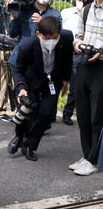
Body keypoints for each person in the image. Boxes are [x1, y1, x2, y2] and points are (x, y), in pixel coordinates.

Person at [7, 17, 73, 161]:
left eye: (55, 37)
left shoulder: (67, 38)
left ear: (60, 33)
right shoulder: (27, 45)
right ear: (38, 34)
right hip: (31, 79)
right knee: (25, 111)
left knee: (46, 113)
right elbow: (18, 70)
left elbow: (68, 61)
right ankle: (19, 136)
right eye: (46, 37)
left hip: (53, 80)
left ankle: (29, 145)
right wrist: (22, 88)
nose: (51, 41)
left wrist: (65, 80)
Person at [70, 0, 103, 176]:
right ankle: (86, 154)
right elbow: (78, 33)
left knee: (96, 114)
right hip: (85, 63)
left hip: (102, 65)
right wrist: (78, 43)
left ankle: (94, 159)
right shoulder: (88, 9)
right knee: (81, 112)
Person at [8, 0, 62, 80]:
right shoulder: (24, 10)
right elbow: (12, 34)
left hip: (42, 62)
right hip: (20, 60)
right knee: (21, 92)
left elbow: (57, 37)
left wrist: (43, 22)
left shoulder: (55, 15)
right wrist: (13, 16)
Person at [61, 0, 86, 126]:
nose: (81, 2)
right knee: (57, 81)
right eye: (79, 0)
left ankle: (67, 113)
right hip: (63, 51)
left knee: (75, 85)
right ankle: (51, 113)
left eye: (83, 0)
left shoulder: (89, 14)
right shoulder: (66, 13)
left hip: (78, 53)